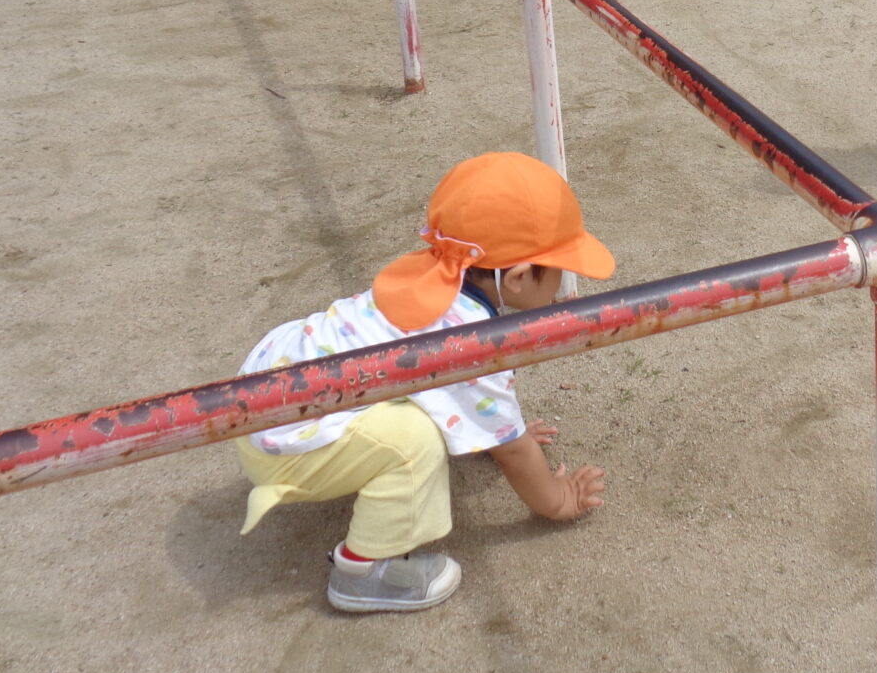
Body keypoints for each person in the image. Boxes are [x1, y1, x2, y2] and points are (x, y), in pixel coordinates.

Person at [234, 151, 613, 614]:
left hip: (258, 398)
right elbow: (514, 452)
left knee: (412, 396)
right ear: (517, 278)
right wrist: (556, 499)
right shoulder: (469, 342)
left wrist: (493, 430)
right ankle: (361, 572)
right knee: (415, 442)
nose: (563, 282)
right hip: (287, 445)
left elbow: (466, 404)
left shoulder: (431, 271)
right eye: (559, 270)